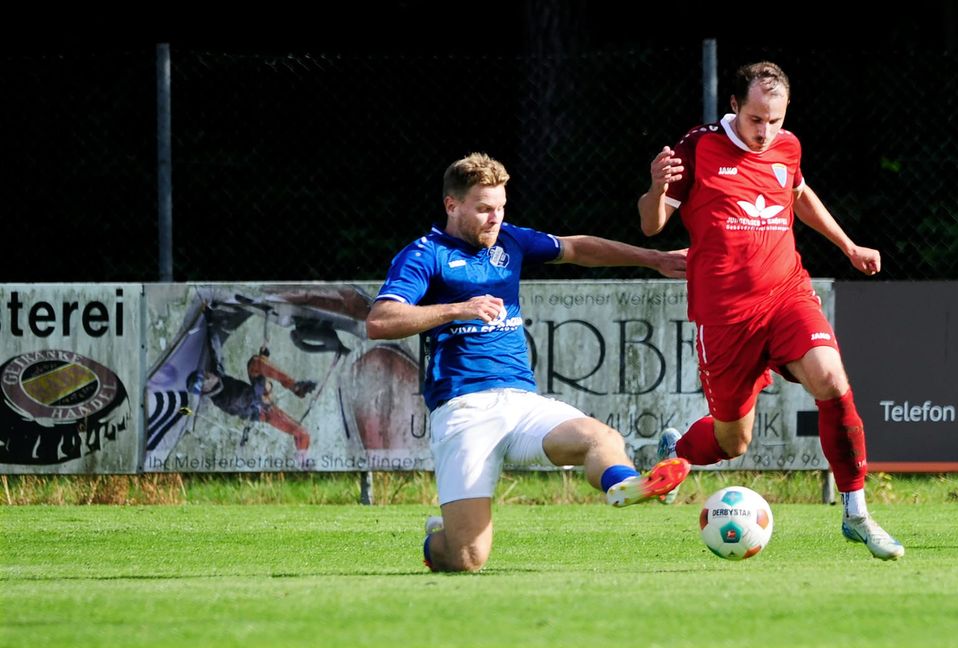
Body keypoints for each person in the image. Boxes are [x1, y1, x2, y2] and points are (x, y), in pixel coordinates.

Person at [367, 152, 691, 573]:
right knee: (467, 558)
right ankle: (441, 539)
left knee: (599, 437)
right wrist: (457, 309)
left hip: (522, 403)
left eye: (501, 208)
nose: (495, 219)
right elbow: (380, 321)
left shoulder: (510, 240)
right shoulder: (425, 255)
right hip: (463, 409)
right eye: (484, 209)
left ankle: (629, 485)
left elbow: (577, 248)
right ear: (452, 204)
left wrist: (655, 259)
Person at [637, 61, 904, 560]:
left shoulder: (788, 146)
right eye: (756, 119)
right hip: (725, 318)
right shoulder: (697, 148)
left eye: (775, 120)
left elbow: (798, 194)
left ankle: (856, 513)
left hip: (786, 295)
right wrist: (656, 188)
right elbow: (652, 225)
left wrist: (848, 246)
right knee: (732, 442)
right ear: (734, 106)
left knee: (831, 379)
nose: (765, 132)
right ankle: (680, 450)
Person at [186, 345, 317, 454]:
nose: (209, 376)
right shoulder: (228, 398)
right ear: (206, 389)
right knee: (301, 432)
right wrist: (263, 367)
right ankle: (303, 456)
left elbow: (215, 352)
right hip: (261, 409)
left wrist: (264, 362)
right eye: (205, 379)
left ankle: (295, 386)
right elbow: (255, 397)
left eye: (206, 374)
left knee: (255, 363)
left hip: (257, 397)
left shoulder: (215, 378)